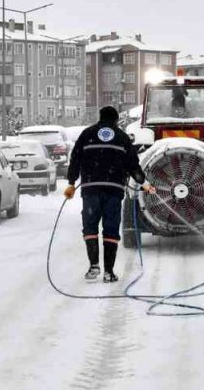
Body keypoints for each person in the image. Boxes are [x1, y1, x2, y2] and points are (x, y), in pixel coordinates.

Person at [64, 106, 155, 282]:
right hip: (113, 191)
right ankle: (109, 272)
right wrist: (144, 184)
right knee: (111, 229)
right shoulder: (122, 137)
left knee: (90, 228)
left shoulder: (87, 134)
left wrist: (71, 183)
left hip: (91, 189)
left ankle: (93, 266)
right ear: (115, 120)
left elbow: (75, 159)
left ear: (100, 117)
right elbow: (133, 165)